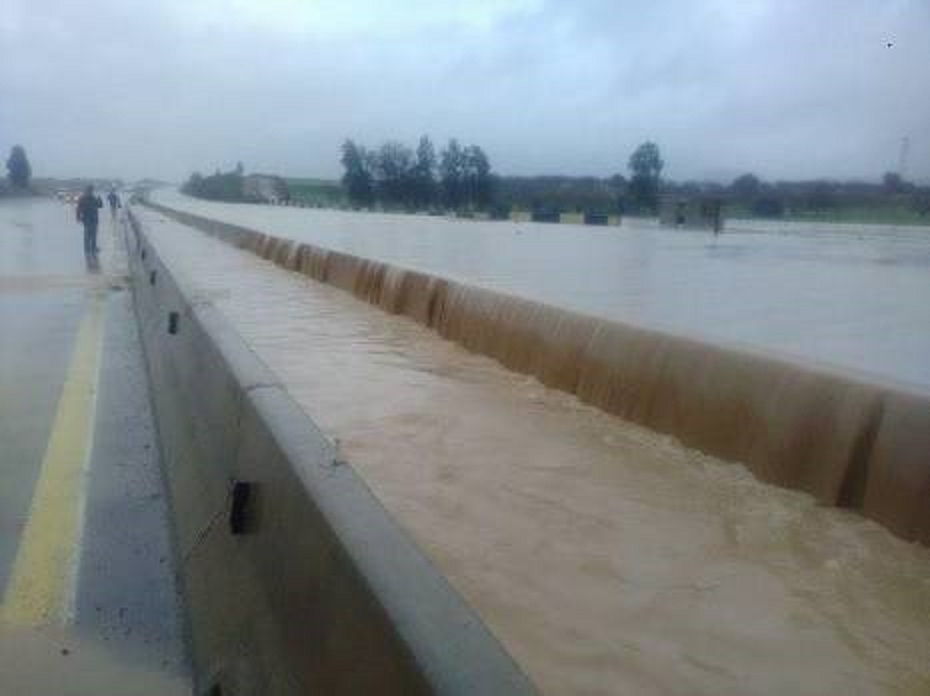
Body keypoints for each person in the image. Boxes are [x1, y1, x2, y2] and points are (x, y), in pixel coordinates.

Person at [76, 185, 103, 256]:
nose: (91, 191)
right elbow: (78, 209)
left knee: (92, 235)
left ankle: (91, 249)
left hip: (91, 219)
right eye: (90, 190)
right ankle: (89, 249)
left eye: (91, 190)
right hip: (89, 219)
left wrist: (78, 217)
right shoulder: (85, 198)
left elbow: (100, 205)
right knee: (89, 235)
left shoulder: (92, 198)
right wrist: (78, 217)